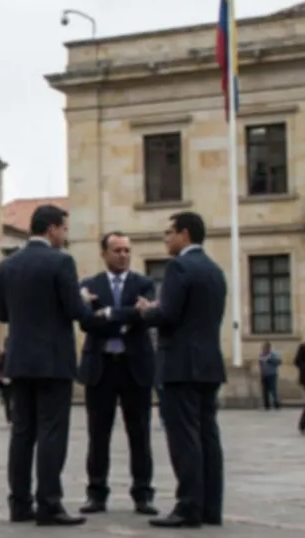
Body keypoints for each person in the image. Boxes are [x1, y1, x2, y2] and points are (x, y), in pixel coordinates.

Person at [0, 204, 113, 526]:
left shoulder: (8, 265)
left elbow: (2, 314)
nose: (65, 235)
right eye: (64, 229)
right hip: (53, 360)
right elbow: (76, 310)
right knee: (51, 431)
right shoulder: (61, 261)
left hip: (19, 359)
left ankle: (19, 503)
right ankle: (49, 503)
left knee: (22, 432)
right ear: (50, 229)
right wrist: (87, 302)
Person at [134, 211, 226, 528]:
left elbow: (169, 314)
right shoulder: (215, 270)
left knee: (184, 437)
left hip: (181, 364)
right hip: (209, 363)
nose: (165, 239)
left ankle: (188, 506)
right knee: (207, 436)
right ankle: (210, 507)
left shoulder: (179, 267)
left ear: (184, 235)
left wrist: (148, 310)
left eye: (169, 233)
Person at [76, 231, 158, 517]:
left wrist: (109, 313)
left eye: (127, 250)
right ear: (104, 253)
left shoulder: (144, 283)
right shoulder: (89, 285)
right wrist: (123, 318)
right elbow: (85, 321)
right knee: (98, 435)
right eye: (117, 250)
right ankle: (96, 493)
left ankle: (143, 494)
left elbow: (145, 316)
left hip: (135, 366)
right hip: (101, 366)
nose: (123, 255)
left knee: (140, 434)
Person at [257, 342, 282, 410]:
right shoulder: (261, 354)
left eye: (266, 348)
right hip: (264, 374)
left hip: (272, 374)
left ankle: (276, 403)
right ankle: (266, 404)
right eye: (264, 348)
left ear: (269, 348)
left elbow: (279, 362)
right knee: (265, 390)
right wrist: (261, 373)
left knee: (273, 389)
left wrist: (270, 360)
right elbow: (260, 364)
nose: (264, 349)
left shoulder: (274, 354)